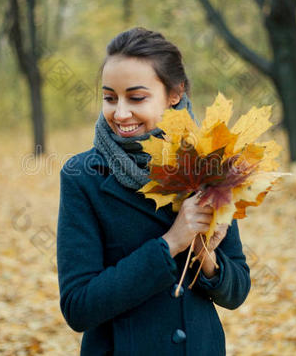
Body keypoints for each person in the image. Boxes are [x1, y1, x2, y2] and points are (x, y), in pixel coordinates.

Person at [56, 27, 251, 355]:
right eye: (109, 97)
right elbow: (79, 307)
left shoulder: (207, 164)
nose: (120, 113)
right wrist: (171, 243)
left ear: (175, 93)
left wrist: (205, 255)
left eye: (136, 97)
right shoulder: (83, 177)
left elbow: (238, 291)